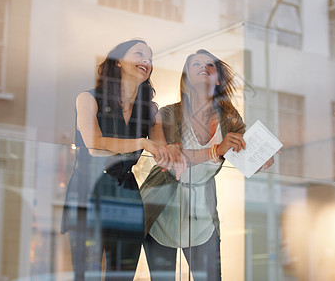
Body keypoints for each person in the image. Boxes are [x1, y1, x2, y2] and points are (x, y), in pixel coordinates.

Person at [141, 49, 274, 280]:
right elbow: (170, 159)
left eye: (210, 65)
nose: (204, 66)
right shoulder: (168, 113)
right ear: (186, 77)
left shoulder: (229, 116)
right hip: (161, 209)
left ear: (218, 78)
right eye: (196, 64)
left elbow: (246, 150)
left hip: (202, 216)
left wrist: (262, 155)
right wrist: (217, 150)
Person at [60, 39, 185, 281]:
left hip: (127, 194)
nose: (146, 60)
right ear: (118, 61)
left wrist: (172, 151)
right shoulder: (87, 98)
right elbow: (94, 143)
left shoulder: (150, 110)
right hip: (89, 190)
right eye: (139, 53)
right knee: (86, 274)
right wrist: (141, 142)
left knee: (123, 275)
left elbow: (159, 150)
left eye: (149, 57)